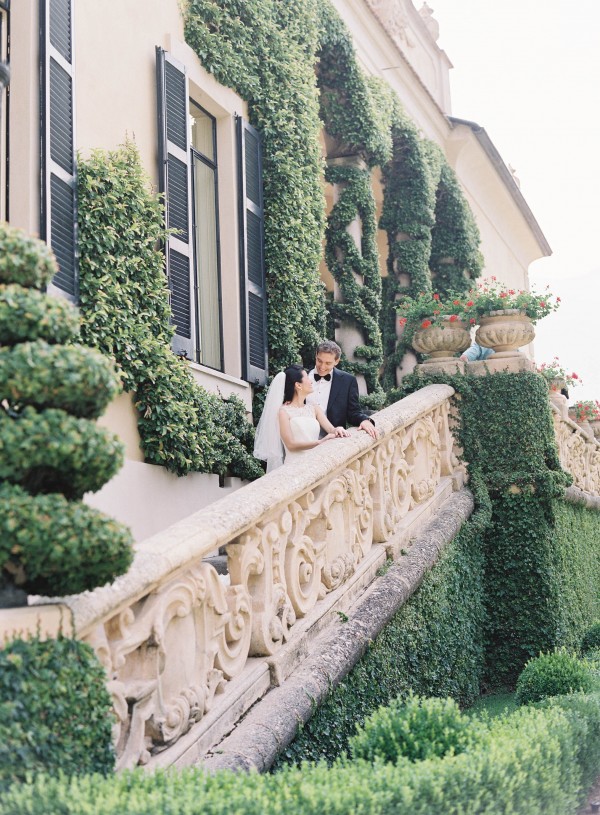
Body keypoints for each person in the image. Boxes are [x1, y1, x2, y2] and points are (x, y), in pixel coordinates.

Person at [253, 364, 350, 472]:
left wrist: (338, 429)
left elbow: (331, 429)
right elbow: (290, 445)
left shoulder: (314, 408)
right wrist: (320, 442)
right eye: (307, 378)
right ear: (298, 385)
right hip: (294, 467)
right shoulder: (283, 412)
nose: (311, 381)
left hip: (315, 465)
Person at [306, 340, 378, 439]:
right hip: (304, 438)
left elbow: (353, 412)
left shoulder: (347, 381)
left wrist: (364, 420)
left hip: (332, 441)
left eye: (328, 363)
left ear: (336, 361)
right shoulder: (302, 377)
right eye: (319, 361)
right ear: (316, 356)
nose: (322, 367)